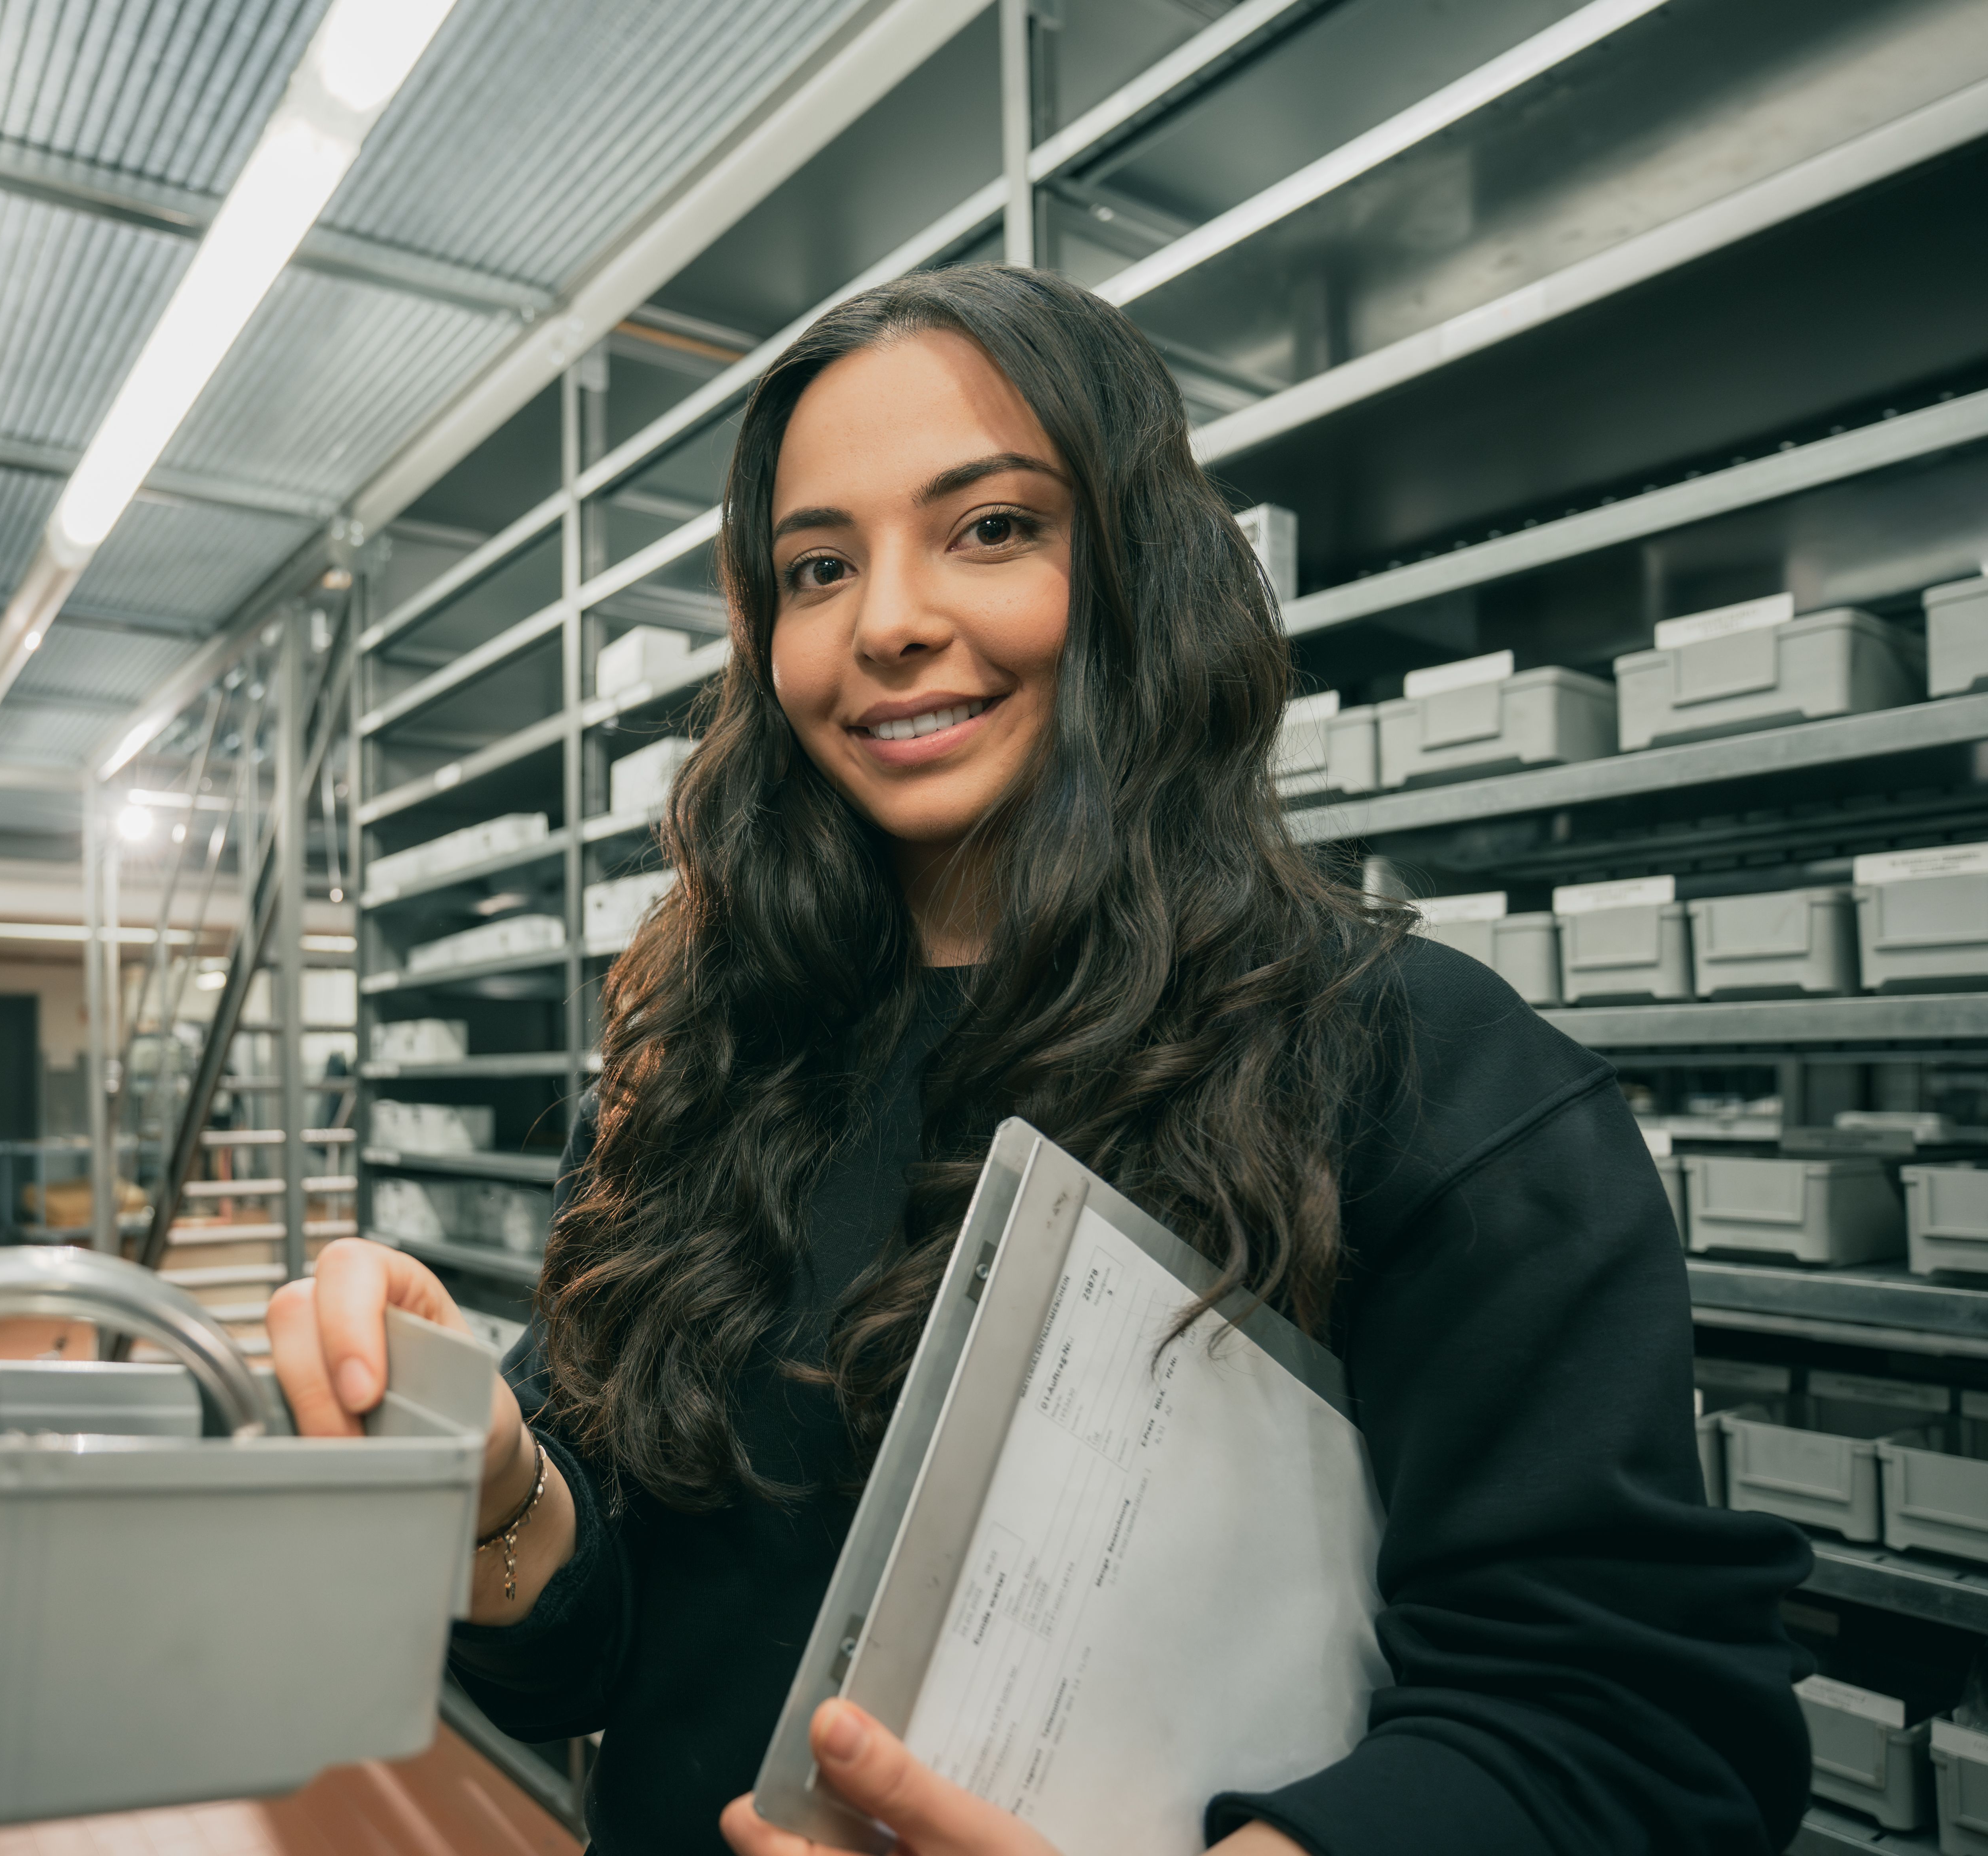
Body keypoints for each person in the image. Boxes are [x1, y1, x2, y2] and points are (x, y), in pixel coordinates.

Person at [267, 265, 1811, 1856]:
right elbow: (593, 1647)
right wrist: (494, 1486)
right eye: (816, 567)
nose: (887, 623)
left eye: (992, 527)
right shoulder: (704, 1068)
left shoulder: (1420, 1071)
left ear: (1142, 569)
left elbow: (1634, 1729)